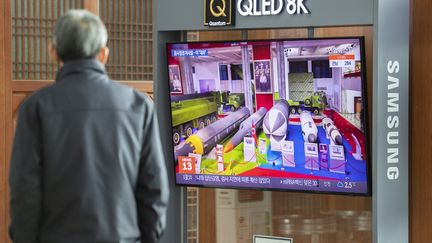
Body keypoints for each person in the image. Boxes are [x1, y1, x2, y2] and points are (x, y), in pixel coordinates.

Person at [9, 10, 169, 243]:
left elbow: (25, 191)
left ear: (53, 53)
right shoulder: (139, 105)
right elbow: (154, 188)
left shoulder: (35, 107)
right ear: (103, 54)